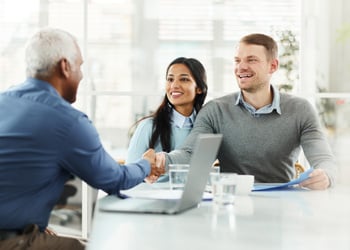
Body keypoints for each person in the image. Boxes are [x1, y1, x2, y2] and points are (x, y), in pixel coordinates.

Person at [0, 27, 164, 249]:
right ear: (65, 67)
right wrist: (146, 164)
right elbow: (115, 180)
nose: (82, 74)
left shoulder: (4, 101)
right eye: (80, 66)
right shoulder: (67, 120)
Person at [155, 33, 337, 190]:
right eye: (237, 60)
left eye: (251, 60)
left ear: (273, 66)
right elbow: (189, 154)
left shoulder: (300, 110)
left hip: (281, 205)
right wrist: (163, 160)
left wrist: (326, 175)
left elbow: (324, 159)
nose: (241, 67)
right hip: (231, 201)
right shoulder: (215, 110)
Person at [126, 57, 208, 169]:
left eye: (184, 79)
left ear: (199, 88)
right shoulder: (148, 127)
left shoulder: (205, 127)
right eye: (170, 79)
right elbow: (130, 176)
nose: (174, 85)